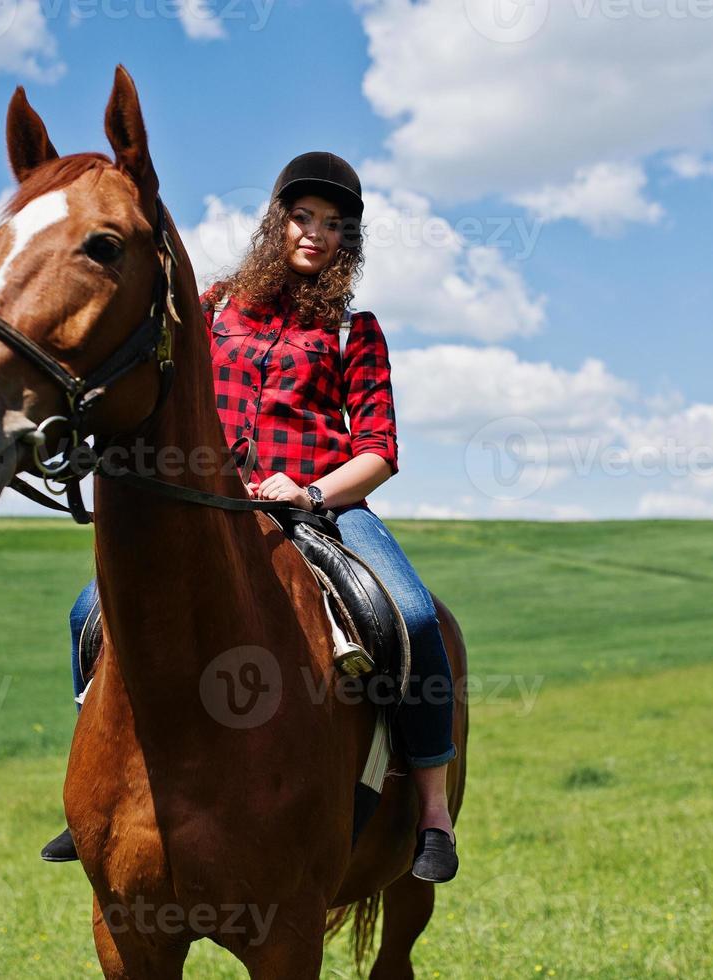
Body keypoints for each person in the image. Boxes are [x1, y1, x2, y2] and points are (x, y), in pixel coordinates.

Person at [42, 151, 459, 882]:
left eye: (334, 225)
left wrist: (310, 492)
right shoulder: (210, 310)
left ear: (347, 242)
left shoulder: (350, 331)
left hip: (322, 510)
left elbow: (379, 452)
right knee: (88, 612)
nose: (315, 233)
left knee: (414, 616)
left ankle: (430, 812)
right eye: (302, 217)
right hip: (215, 507)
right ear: (277, 222)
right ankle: (100, 800)